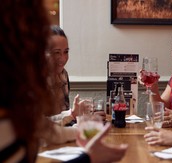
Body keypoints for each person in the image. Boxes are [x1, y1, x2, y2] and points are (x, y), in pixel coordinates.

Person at [0, 0, 127, 162]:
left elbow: (45, 130)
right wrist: (89, 157)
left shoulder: (20, 90)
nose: (62, 59)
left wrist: (83, 128)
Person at [48, 25, 106, 126]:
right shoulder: (34, 80)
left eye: (66, 52)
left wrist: (86, 119)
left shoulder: (63, 75)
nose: (63, 58)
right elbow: (39, 126)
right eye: (57, 53)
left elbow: (64, 122)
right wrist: (73, 114)